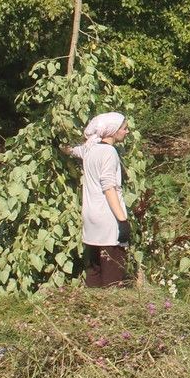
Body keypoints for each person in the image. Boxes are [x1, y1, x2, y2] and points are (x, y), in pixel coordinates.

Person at [70, 112, 134, 288]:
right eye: (124, 128)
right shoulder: (108, 152)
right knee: (113, 273)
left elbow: (72, 150)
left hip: (91, 218)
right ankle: (112, 310)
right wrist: (122, 221)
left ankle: (92, 309)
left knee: (94, 271)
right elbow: (109, 188)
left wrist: (57, 144)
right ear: (112, 131)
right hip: (108, 220)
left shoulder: (89, 149)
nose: (126, 131)